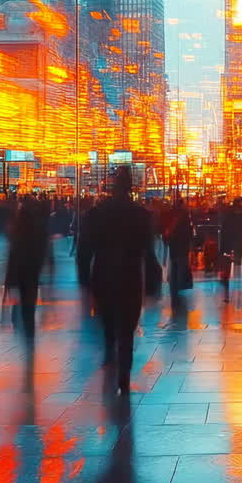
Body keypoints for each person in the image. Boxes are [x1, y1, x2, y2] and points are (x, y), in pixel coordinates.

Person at [78, 167, 161, 396]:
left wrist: (84, 281)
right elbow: (149, 252)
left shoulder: (97, 214)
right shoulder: (141, 215)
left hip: (103, 275)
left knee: (108, 323)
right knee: (127, 331)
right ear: (130, 187)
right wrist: (153, 284)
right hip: (130, 277)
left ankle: (109, 353)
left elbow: (84, 251)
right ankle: (124, 376)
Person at [6, 197, 49, 344]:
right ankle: (29, 327)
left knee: (18, 298)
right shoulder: (38, 228)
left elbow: (12, 251)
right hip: (32, 270)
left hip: (18, 270)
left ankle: (19, 321)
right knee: (29, 301)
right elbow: (43, 250)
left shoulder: (16, 227)